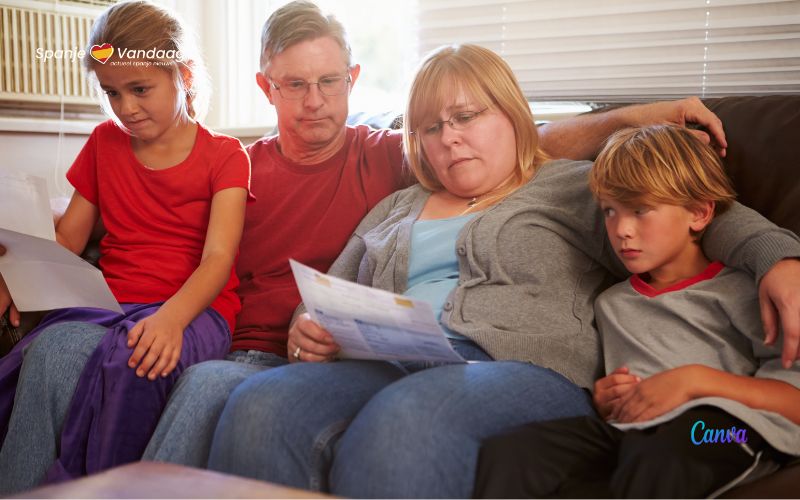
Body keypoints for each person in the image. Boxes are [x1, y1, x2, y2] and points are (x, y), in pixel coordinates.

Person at [138, 0, 777, 470]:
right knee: (259, 404)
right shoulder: (396, 206)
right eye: (431, 127)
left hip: (518, 367)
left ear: (513, 117)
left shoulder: (567, 186)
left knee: (410, 420)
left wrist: (780, 259)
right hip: (386, 360)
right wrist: (309, 324)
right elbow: (330, 289)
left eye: (468, 118)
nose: (449, 138)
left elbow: (693, 214)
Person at [0, 0, 250, 491]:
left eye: (140, 89)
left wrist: (172, 320)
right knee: (48, 351)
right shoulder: (103, 143)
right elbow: (70, 237)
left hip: (194, 308)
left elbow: (218, 259)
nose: (127, 108)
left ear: (184, 74)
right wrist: (16, 277)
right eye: (112, 93)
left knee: (135, 362)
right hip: (110, 303)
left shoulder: (225, 156)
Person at [472, 125, 800, 498]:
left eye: (641, 210)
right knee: (513, 451)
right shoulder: (613, 305)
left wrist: (694, 381)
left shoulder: (745, 292)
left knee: (665, 449)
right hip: (633, 436)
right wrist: (606, 400)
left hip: (729, 430)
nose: (621, 229)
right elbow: (621, 404)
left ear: (699, 212)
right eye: (610, 211)